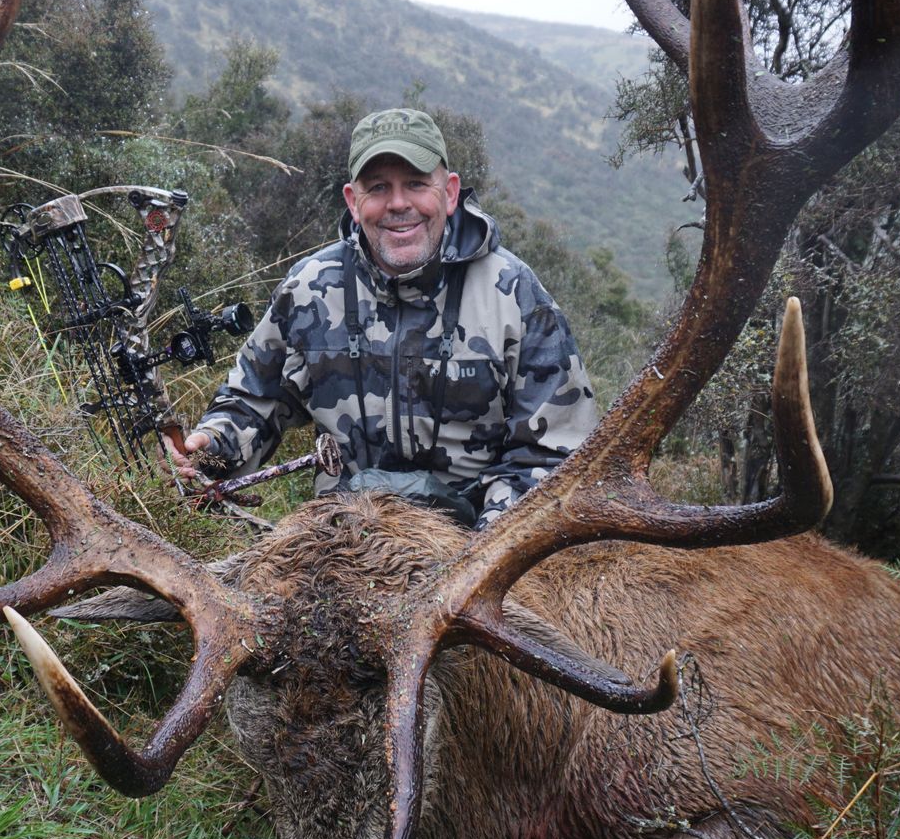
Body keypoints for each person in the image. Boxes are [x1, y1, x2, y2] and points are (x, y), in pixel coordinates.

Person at [168, 108, 598, 528]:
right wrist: (210, 447)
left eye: (415, 184)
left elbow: (556, 450)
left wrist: (484, 551)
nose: (397, 204)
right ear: (354, 202)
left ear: (449, 193)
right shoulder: (309, 287)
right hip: (343, 538)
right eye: (377, 188)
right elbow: (256, 400)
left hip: (476, 543)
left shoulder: (514, 293)